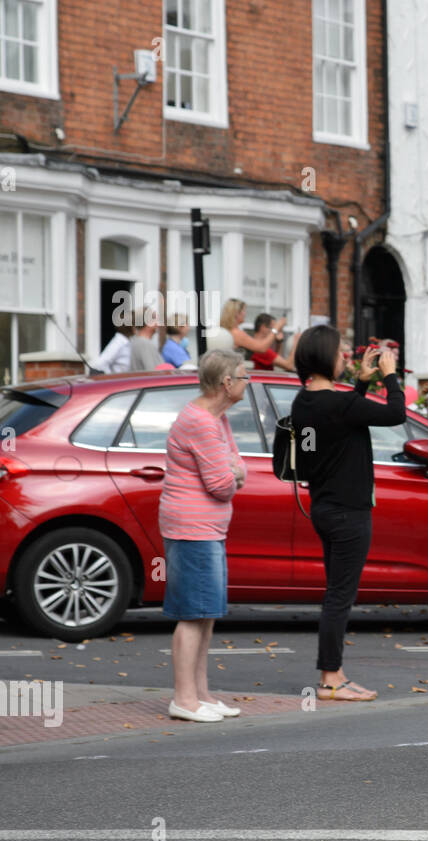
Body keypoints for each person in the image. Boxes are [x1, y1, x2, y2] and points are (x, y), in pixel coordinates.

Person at [291, 325, 405, 701]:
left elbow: (341, 423)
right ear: (325, 357)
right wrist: (389, 375)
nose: (345, 357)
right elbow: (395, 414)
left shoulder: (304, 402)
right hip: (350, 514)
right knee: (339, 596)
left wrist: (359, 385)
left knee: (335, 593)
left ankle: (334, 672)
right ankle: (329, 678)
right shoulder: (339, 405)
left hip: (323, 509)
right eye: (340, 352)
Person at [158, 350, 248, 722]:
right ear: (226, 383)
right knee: (193, 614)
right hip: (192, 529)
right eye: (244, 377)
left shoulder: (217, 418)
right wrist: (232, 474)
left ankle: (201, 694)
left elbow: (238, 466)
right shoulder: (202, 423)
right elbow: (221, 484)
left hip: (207, 528)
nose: (247, 383)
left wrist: (233, 471)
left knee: (206, 614)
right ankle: (184, 699)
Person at [207, 299, 278, 360]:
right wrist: (276, 328)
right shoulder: (236, 333)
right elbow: (262, 348)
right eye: (244, 310)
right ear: (236, 313)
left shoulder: (228, 330)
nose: (245, 313)